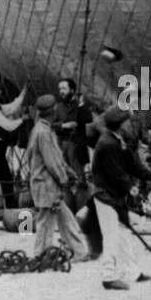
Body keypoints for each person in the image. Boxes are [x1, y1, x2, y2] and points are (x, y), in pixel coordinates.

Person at [91, 105, 151, 290]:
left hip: (114, 195)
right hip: (105, 196)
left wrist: (148, 175)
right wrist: (131, 188)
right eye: (127, 121)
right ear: (120, 124)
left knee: (125, 234)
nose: (130, 124)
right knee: (111, 236)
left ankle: (131, 272)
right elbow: (117, 174)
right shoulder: (107, 143)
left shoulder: (119, 139)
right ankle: (108, 277)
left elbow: (131, 163)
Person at [23, 94, 89, 261]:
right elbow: (52, 162)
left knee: (66, 220)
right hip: (46, 184)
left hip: (49, 184)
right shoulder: (44, 132)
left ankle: (78, 252)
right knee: (45, 222)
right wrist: (64, 179)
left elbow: (57, 158)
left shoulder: (43, 129)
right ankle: (41, 255)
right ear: (53, 112)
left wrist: (69, 172)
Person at [55, 79, 94, 209]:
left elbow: (88, 119)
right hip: (63, 145)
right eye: (60, 89)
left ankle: (81, 208)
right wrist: (64, 125)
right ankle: (68, 208)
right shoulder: (59, 107)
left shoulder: (79, 105)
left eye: (64, 88)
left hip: (77, 146)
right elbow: (51, 124)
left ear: (72, 90)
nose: (61, 91)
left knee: (79, 178)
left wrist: (81, 104)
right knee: (64, 179)